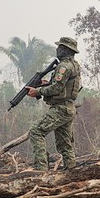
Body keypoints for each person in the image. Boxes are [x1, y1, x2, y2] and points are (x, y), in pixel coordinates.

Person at [26, 37, 82, 171]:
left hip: (61, 108)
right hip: (68, 108)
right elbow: (62, 86)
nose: (57, 49)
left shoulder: (63, 67)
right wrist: (47, 84)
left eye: (60, 47)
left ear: (66, 50)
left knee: (36, 131)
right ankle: (71, 171)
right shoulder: (74, 65)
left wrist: (37, 91)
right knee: (64, 144)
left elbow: (56, 89)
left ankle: (41, 169)